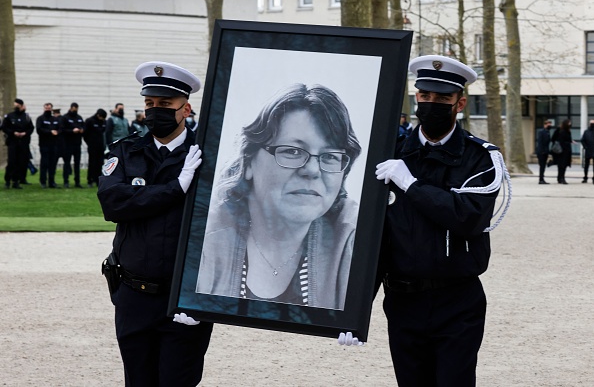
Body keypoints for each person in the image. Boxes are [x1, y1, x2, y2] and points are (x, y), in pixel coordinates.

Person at [339, 55, 510, 386]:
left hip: (457, 300)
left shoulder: (481, 158)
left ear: (460, 103)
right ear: (416, 96)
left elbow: (468, 218)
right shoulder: (389, 152)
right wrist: (354, 311)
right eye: (425, 96)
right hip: (403, 300)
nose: (431, 104)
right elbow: (374, 238)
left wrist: (412, 185)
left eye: (443, 98)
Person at [97, 61, 213, 386]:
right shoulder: (126, 151)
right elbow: (113, 203)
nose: (155, 111)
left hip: (184, 299)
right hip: (133, 294)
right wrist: (175, 188)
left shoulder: (207, 155)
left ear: (185, 108)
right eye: (150, 104)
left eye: (165, 104)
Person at [196, 83, 361, 310]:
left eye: (330, 156)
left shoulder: (352, 239)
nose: (312, 170)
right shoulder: (203, 237)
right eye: (292, 151)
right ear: (249, 163)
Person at [2, 98, 34, 189]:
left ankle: (16, 181)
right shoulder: (9, 116)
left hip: (23, 142)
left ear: (20, 105)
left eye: (16, 104)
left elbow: (31, 128)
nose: (15, 106)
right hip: (12, 142)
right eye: (14, 104)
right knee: (11, 162)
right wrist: (13, 132)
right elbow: (4, 127)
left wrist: (25, 133)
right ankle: (8, 180)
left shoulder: (26, 117)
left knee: (20, 162)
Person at [36, 102, 61, 189]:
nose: (48, 109)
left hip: (54, 145)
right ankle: (43, 182)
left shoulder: (55, 119)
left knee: (52, 164)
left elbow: (60, 129)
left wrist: (57, 132)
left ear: (51, 109)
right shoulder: (40, 119)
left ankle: (51, 181)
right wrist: (50, 132)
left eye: (49, 108)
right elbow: (39, 130)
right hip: (44, 145)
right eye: (46, 108)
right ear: (44, 108)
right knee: (44, 164)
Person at [60, 102, 85, 188]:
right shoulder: (65, 117)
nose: (75, 110)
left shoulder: (79, 118)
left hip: (77, 144)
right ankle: (66, 181)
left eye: (76, 109)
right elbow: (62, 130)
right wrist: (72, 131)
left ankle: (77, 181)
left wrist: (82, 130)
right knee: (67, 163)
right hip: (68, 144)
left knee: (77, 163)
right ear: (71, 108)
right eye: (74, 109)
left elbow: (83, 127)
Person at [83, 108, 107, 188]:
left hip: (101, 146)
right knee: (92, 163)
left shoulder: (104, 122)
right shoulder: (89, 121)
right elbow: (85, 134)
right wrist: (89, 143)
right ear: (98, 115)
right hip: (92, 146)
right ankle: (90, 180)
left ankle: (98, 180)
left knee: (99, 163)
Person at [551, 118, 573, 184]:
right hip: (561, 150)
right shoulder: (559, 130)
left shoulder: (568, 131)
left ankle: (560, 178)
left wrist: (570, 141)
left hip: (566, 150)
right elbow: (553, 138)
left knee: (564, 165)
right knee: (561, 165)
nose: (570, 124)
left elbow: (568, 139)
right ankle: (561, 178)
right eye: (569, 123)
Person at [536, 119, 553, 184]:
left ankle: (542, 178)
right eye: (549, 124)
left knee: (543, 166)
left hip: (545, 152)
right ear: (545, 124)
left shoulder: (547, 132)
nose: (550, 125)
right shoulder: (542, 132)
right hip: (542, 152)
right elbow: (540, 142)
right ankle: (541, 179)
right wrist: (542, 151)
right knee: (542, 166)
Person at [580, 119, 594, 184]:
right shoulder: (586, 132)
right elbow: (582, 140)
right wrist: (585, 147)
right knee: (586, 165)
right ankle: (585, 177)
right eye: (591, 123)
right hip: (588, 150)